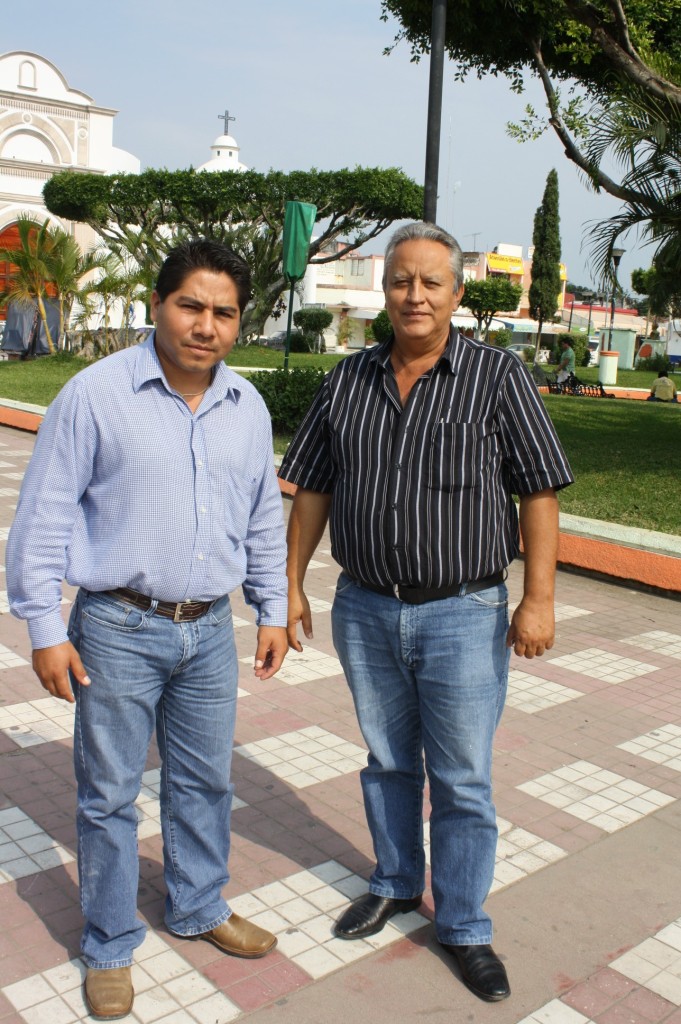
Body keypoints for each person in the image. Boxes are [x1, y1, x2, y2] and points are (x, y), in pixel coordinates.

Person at [280, 222, 574, 1003]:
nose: (414, 296)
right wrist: (291, 582)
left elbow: (538, 491)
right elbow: (312, 485)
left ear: (455, 293)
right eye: (400, 281)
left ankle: (465, 925)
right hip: (366, 608)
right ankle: (395, 881)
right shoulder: (347, 380)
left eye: (430, 282)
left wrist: (538, 599)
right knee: (386, 761)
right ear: (385, 291)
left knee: (462, 777)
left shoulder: (496, 377)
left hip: (463, 613)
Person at [7, 239, 288, 1020]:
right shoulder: (95, 396)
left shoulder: (246, 407)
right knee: (108, 795)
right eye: (190, 306)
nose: (205, 325)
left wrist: (270, 608)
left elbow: (261, 519)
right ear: (157, 306)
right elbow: (44, 516)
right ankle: (108, 942)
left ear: (238, 322)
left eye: (223, 312)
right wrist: (43, 627)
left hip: (209, 632)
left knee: (206, 781)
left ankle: (197, 904)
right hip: (117, 628)